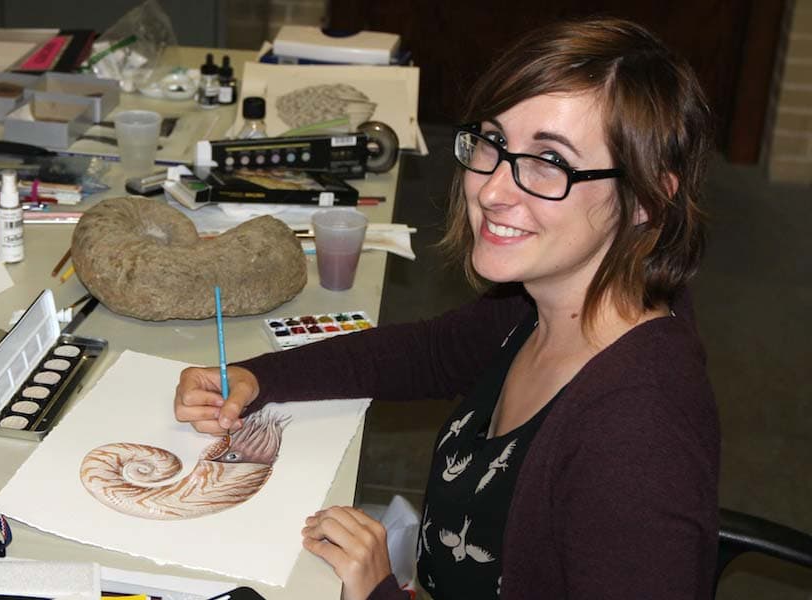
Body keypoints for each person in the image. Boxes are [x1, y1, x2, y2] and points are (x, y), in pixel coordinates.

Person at [173, 17, 719, 600]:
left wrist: (379, 591)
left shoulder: (637, 439)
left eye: (550, 163)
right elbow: (426, 353)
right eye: (493, 143)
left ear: (647, 200)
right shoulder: (548, 302)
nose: (491, 190)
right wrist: (259, 377)